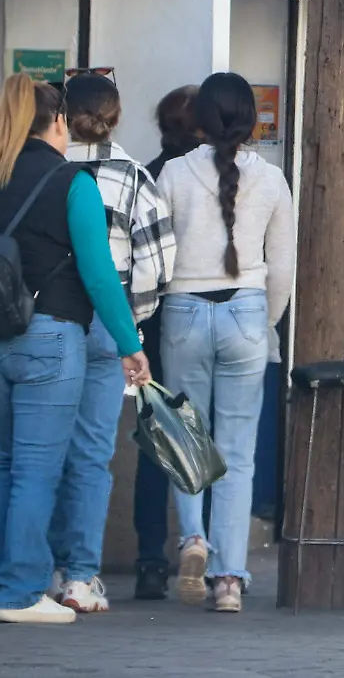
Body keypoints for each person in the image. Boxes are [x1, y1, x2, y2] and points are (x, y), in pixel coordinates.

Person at [0, 73, 150, 625]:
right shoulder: (73, 184)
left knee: (13, 462)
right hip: (50, 342)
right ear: (57, 123)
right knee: (37, 466)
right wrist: (131, 346)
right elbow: (100, 275)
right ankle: (20, 593)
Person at [156, 72, 295, 613]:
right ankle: (229, 580)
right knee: (237, 453)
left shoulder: (172, 174)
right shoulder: (272, 179)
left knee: (187, 436)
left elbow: (156, 257)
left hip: (185, 309)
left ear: (201, 120)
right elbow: (282, 265)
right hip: (247, 312)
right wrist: (266, 322)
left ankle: (193, 537)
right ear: (250, 120)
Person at [46, 74, 175, 613]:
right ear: (115, 118)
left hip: (47, 318)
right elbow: (156, 264)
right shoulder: (133, 176)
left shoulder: (45, 171)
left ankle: (42, 570)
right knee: (92, 455)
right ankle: (79, 576)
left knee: (40, 451)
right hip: (107, 322)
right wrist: (131, 325)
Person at [133, 84, 200, 600]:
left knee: (156, 446)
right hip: (209, 316)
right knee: (212, 435)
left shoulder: (150, 176)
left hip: (153, 326)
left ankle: (151, 557)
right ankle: (204, 544)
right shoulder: (220, 175)